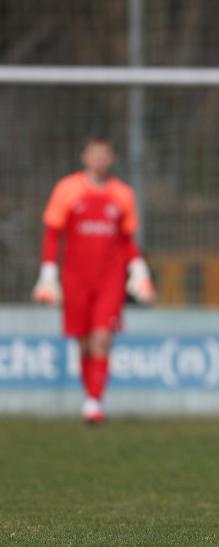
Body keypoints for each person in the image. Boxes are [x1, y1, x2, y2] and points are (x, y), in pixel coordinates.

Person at [32, 136, 156, 425]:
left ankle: (94, 402)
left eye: (105, 155)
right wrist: (48, 275)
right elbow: (53, 233)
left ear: (111, 159)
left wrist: (139, 270)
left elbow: (126, 240)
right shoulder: (67, 189)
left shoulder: (122, 193)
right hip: (75, 277)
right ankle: (90, 396)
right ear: (84, 157)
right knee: (85, 341)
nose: (99, 160)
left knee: (102, 338)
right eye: (94, 154)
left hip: (109, 279)